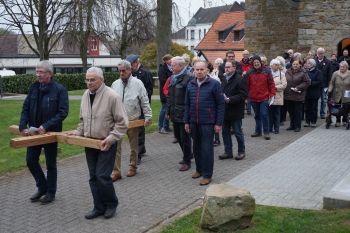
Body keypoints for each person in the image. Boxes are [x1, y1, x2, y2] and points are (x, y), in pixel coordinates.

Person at [71, 67, 128, 219]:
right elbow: (83, 119)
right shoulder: (85, 95)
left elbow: (122, 123)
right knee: (93, 177)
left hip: (106, 142)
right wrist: (78, 132)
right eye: (87, 80)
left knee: (102, 176)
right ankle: (98, 207)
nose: (89, 83)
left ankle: (111, 204)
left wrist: (111, 138)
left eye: (92, 80)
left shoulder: (112, 96)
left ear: (101, 80)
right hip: (90, 142)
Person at [19, 60, 68, 204]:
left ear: (50, 74)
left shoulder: (60, 90)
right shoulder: (34, 88)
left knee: (50, 164)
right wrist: (23, 126)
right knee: (30, 160)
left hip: (50, 133)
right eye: (37, 71)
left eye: (41, 72)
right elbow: (26, 108)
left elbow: (62, 112)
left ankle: (51, 193)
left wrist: (46, 126)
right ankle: (42, 187)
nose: (38, 74)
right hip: (34, 132)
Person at [184, 60, 224, 186]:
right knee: (196, 148)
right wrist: (186, 121)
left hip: (208, 122)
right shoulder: (190, 84)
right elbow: (187, 104)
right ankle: (199, 170)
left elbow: (220, 104)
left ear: (207, 70)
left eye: (202, 69)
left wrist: (218, 123)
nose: (199, 72)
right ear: (193, 70)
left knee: (207, 149)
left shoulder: (214, 84)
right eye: (197, 69)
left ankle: (207, 175)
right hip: (193, 122)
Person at [111, 60, 152, 181]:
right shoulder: (115, 84)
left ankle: (132, 166)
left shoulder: (138, 83)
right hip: (117, 121)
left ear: (130, 70)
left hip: (133, 119)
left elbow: (144, 100)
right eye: (120, 71)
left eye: (124, 70)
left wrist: (148, 116)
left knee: (133, 146)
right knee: (115, 147)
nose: (122, 73)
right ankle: (116, 171)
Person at [125, 54, 153, 164]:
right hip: (131, 108)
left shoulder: (145, 74)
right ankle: (142, 149)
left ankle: (138, 155)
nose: (129, 67)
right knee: (137, 130)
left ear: (136, 63)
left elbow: (148, 92)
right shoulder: (129, 75)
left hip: (141, 107)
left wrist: (145, 107)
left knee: (139, 131)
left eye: (131, 65)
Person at [167, 56, 192, 171]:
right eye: (171, 65)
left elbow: (191, 98)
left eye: (173, 65)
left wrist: (188, 115)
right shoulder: (173, 77)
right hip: (174, 113)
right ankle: (188, 155)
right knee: (178, 136)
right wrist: (168, 111)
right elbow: (170, 96)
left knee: (185, 138)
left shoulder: (189, 78)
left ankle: (187, 161)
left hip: (184, 114)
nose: (171, 67)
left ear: (181, 66)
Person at [219, 60, 248, 160]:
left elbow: (243, 94)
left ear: (234, 68)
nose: (226, 69)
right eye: (225, 67)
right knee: (225, 132)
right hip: (225, 111)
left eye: (228, 67)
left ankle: (241, 151)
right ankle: (228, 152)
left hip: (235, 111)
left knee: (237, 132)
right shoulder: (224, 79)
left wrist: (230, 99)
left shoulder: (239, 79)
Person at [245, 55, 276, 140]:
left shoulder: (267, 71)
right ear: (253, 63)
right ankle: (258, 131)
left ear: (260, 63)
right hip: (253, 98)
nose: (256, 64)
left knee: (264, 114)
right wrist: (246, 97)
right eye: (254, 62)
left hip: (264, 97)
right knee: (257, 115)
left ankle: (266, 132)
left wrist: (272, 93)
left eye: (257, 62)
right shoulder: (249, 72)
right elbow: (246, 86)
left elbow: (271, 83)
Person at [284, 59, 311, 132]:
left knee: (297, 112)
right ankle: (292, 125)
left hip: (298, 94)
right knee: (290, 111)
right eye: (294, 64)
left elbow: (308, 82)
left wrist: (298, 87)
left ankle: (298, 126)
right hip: (288, 94)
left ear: (300, 65)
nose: (295, 65)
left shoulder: (303, 72)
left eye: (296, 64)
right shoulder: (288, 71)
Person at [328, 61, 350, 127]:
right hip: (337, 93)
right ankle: (337, 121)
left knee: (346, 107)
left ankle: (344, 120)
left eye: (343, 67)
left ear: (346, 67)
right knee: (337, 107)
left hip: (347, 93)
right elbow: (331, 82)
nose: (341, 68)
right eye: (340, 66)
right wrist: (330, 89)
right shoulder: (335, 73)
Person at [269, 59, 287, 134]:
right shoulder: (268, 73)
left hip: (278, 96)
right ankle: (269, 128)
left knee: (276, 113)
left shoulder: (281, 74)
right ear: (271, 65)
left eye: (277, 65)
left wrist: (275, 88)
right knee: (269, 114)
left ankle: (276, 129)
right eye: (275, 64)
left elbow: (284, 85)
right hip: (269, 97)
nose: (276, 66)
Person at [304, 59, 323, 127]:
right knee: (307, 108)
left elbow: (319, 82)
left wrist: (310, 82)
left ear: (312, 64)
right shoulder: (306, 72)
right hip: (307, 93)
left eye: (308, 63)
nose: (307, 64)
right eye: (307, 63)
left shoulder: (318, 72)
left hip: (314, 93)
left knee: (313, 108)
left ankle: (313, 121)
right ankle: (307, 121)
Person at [315, 47, 332, 119]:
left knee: (324, 100)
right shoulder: (314, 61)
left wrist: (329, 84)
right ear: (317, 54)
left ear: (324, 53)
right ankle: (314, 113)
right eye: (319, 53)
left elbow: (330, 74)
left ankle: (322, 113)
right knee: (315, 99)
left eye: (322, 53)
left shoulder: (328, 62)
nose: (320, 55)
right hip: (315, 84)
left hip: (324, 84)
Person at [158, 54, 173, 134]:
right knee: (164, 109)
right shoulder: (162, 69)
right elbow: (163, 80)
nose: (171, 61)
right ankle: (161, 127)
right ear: (166, 60)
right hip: (164, 92)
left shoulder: (171, 68)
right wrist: (171, 78)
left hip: (170, 92)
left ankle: (166, 126)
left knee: (168, 110)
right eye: (170, 59)